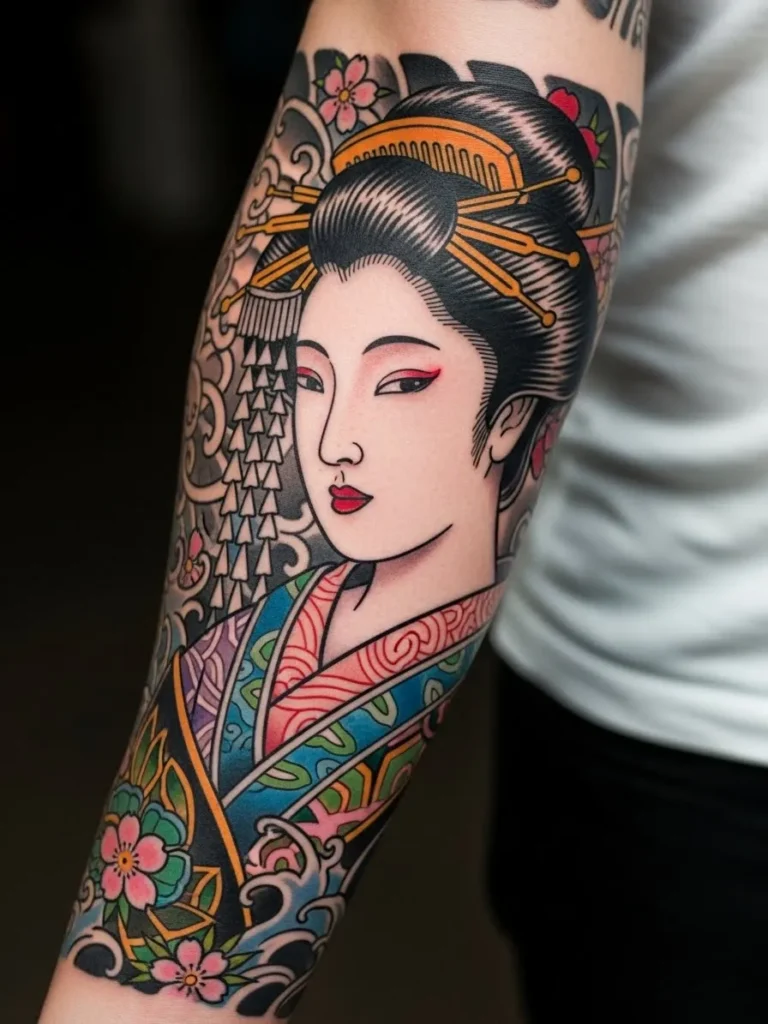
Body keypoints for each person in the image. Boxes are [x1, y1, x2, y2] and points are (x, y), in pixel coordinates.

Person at [38, 0, 761, 1020]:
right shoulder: (243, 649)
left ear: (509, 415)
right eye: (312, 378)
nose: (334, 438)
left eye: (402, 380)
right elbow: (406, 48)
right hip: (666, 703)